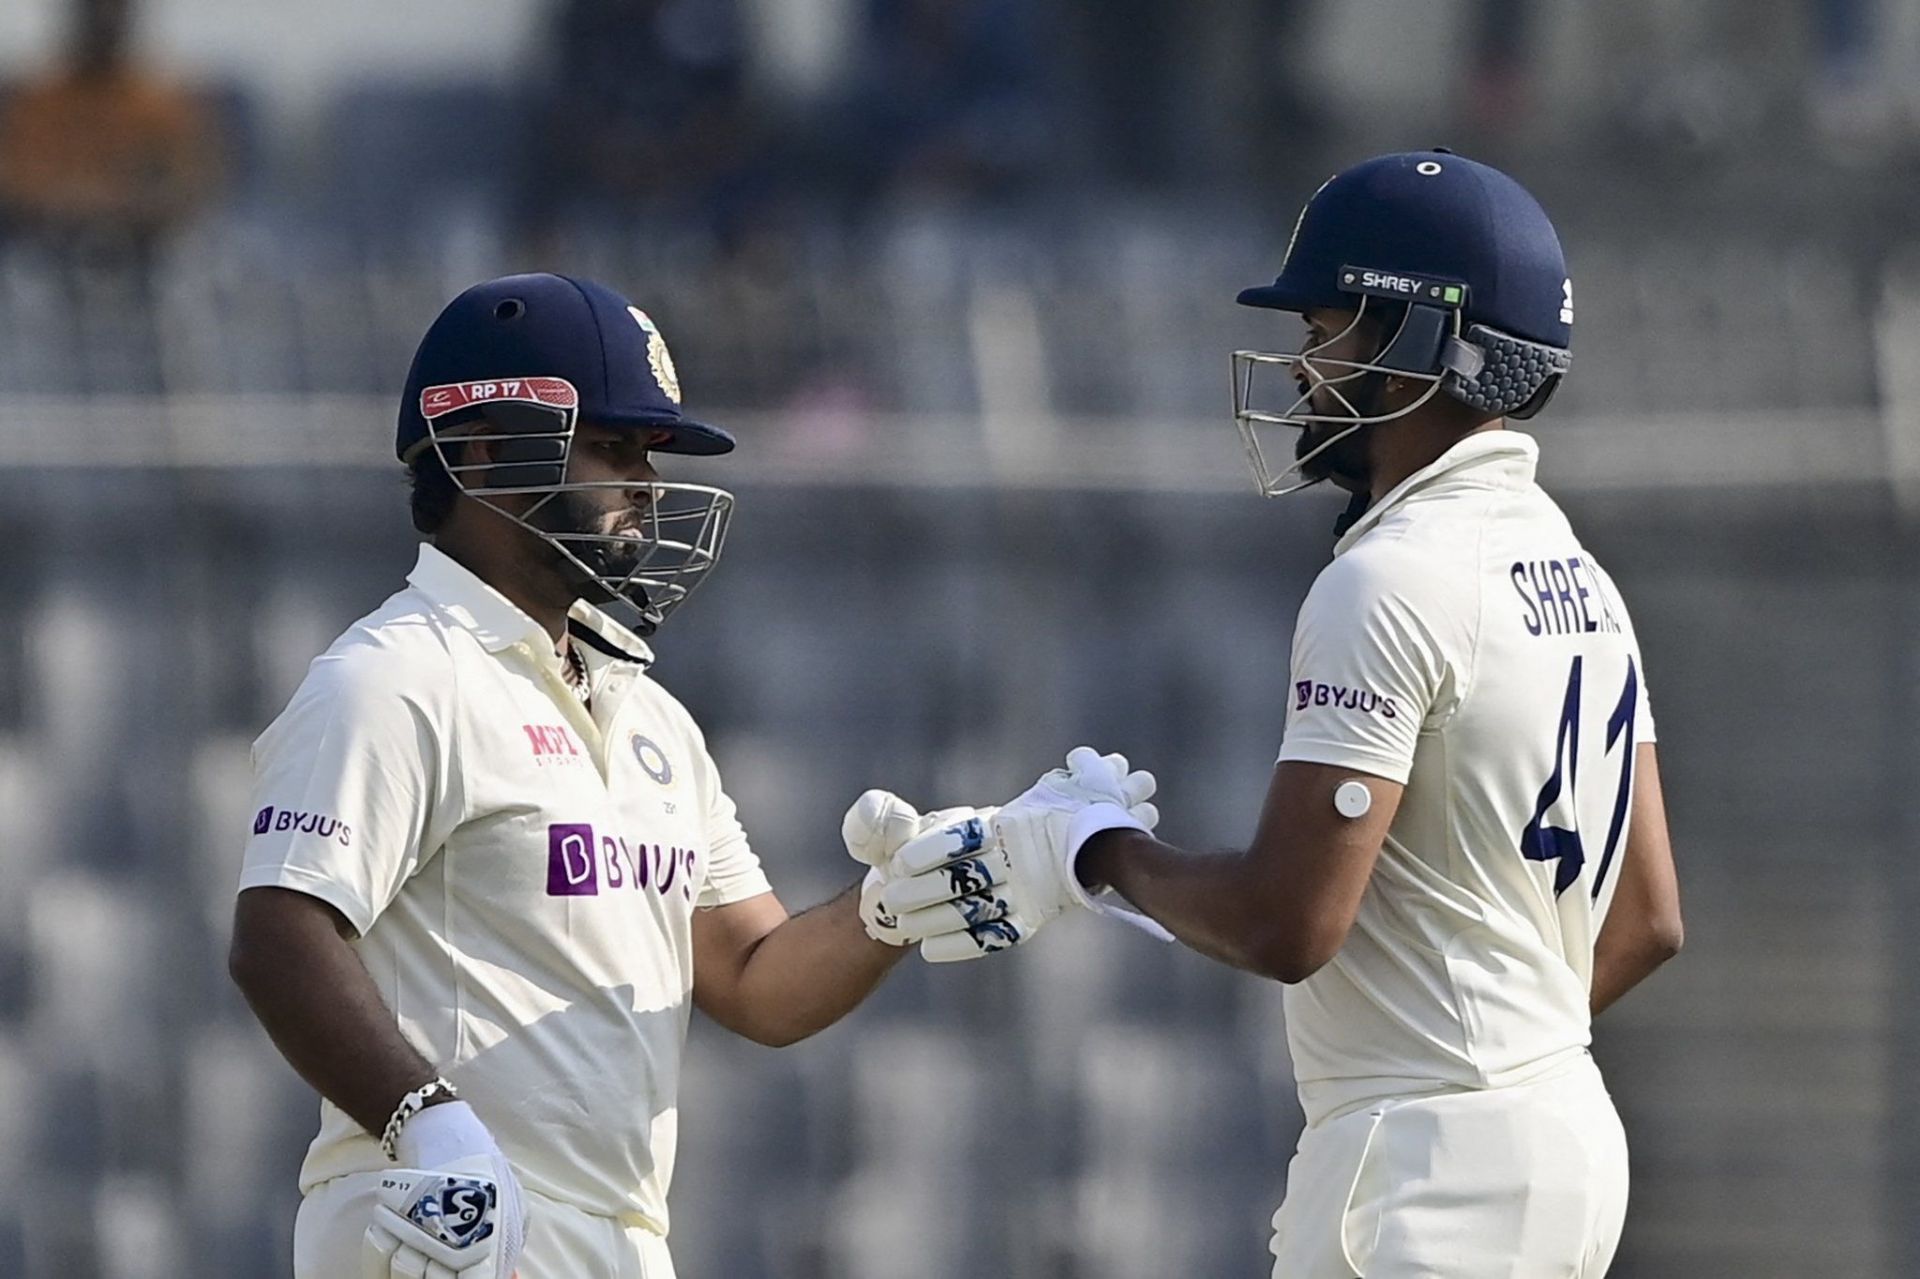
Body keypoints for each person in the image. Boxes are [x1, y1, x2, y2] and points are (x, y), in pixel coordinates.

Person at [224, 269, 1154, 1278]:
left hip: (616, 1235)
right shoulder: (395, 676)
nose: (648, 485)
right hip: (441, 1218)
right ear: (482, 446)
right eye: (615, 446)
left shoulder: (650, 716)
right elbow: (280, 933)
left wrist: (899, 902)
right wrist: (433, 1131)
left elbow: (757, 983)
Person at [866, 151, 1684, 1277]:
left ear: (1415, 344)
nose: (1303, 368)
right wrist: (1499, 1058)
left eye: (1325, 329)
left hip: (1426, 1167)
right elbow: (1647, 921)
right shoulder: (1581, 577)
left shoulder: (1387, 578)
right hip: (1568, 1135)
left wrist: (1091, 850)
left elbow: (1285, 925)